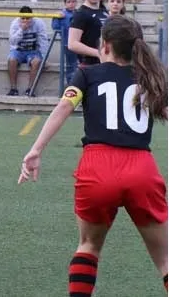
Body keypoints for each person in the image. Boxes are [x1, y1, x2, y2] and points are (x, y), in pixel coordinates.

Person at [18, 15, 168, 296]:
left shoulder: (87, 74)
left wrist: (35, 150)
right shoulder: (150, 77)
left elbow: (64, 107)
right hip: (141, 169)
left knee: (88, 246)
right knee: (165, 259)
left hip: (98, 167)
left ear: (105, 45)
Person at [68, 0, 108, 69]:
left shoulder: (104, 11)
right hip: (89, 66)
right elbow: (72, 44)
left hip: (105, 64)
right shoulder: (81, 14)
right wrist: (98, 53)